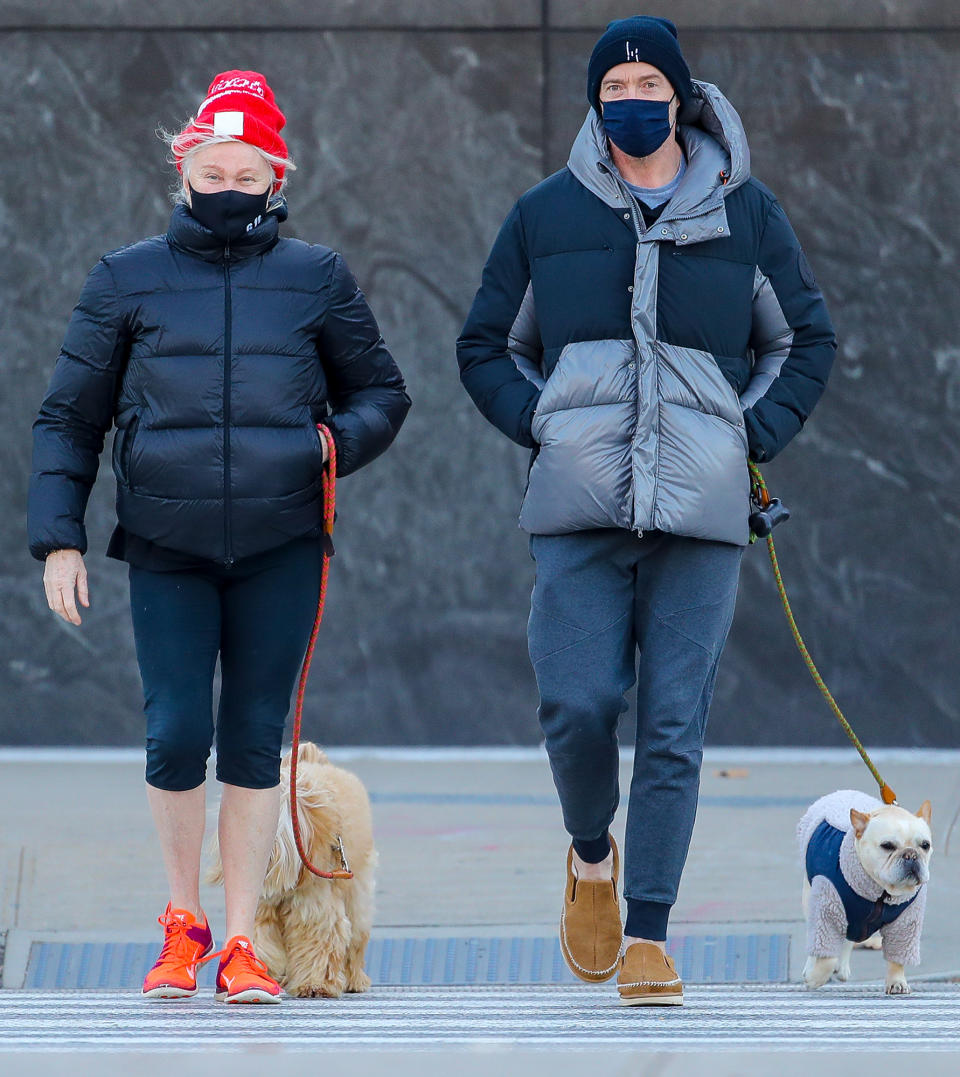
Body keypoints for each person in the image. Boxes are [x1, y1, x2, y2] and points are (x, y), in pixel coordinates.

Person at [457, 16, 835, 1005]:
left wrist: (742, 438)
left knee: (674, 726)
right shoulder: (548, 213)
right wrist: (545, 426)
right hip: (578, 515)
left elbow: (802, 342)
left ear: (680, 94)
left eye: (647, 79)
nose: (631, 94)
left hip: (700, 517)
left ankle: (651, 934)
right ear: (597, 100)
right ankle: (592, 857)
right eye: (614, 81)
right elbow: (488, 343)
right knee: (576, 707)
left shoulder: (744, 212)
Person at [28, 70, 410, 1004]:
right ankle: (179, 921)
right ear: (183, 170)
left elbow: (383, 394)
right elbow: (69, 418)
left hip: (281, 544)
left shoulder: (315, 276)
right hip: (166, 542)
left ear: (275, 180)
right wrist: (60, 539)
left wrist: (326, 446)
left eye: (248, 174)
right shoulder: (126, 277)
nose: (228, 188)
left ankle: (243, 939)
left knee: (250, 739)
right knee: (175, 735)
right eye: (213, 170)